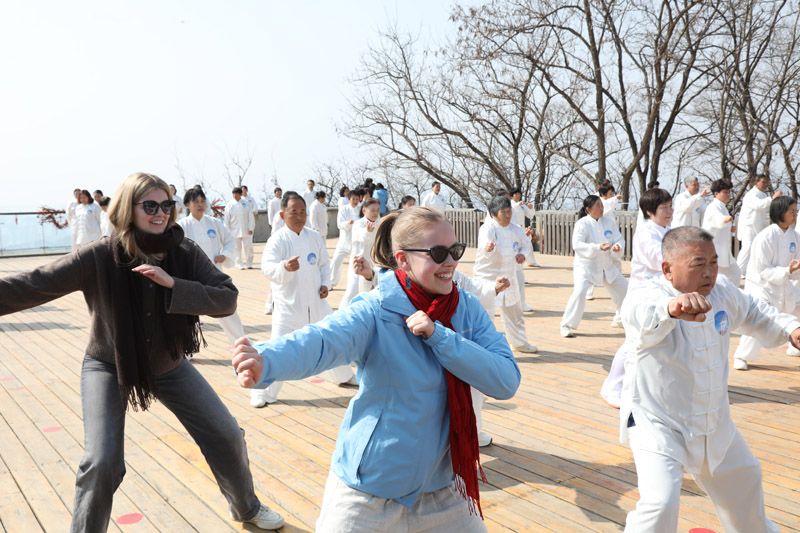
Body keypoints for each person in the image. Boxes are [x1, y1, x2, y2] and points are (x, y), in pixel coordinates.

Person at [0, 172, 284, 532]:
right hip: (107, 364)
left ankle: (247, 508)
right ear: (127, 208)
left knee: (226, 434)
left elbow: (227, 298)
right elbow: (34, 283)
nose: (160, 213)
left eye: (166, 205)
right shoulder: (99, 255)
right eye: (150, 206)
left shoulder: (183, 251)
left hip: (169, 363)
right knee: (102, 462)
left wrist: (173, 285)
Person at [232, 206, 520, 531]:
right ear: (403, 259)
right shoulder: (375, 309)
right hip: (370, 490)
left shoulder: (466, 309)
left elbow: (505, 380)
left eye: (455, 250)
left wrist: (440, 337)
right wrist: (267, 359)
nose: (451, 262)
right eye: (438, 253)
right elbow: (323, 341)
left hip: (444, 487)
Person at [619, 226, 797, 532]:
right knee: (660, 503)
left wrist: (790, 329)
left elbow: (754, 311)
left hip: (713, 420)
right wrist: (671, 309)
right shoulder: (647, 294)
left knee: (745, 480)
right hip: (658, 422)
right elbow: (640, 315)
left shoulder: (722, 292)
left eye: (713, 262)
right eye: (698, 264)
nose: (709, 272)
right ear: (667, 269)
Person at [251, 191, 355, 408]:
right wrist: (284, 267)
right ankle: (262, 391)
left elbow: (324, 264)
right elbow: (267, 268)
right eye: (294, 212)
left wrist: (325, 284)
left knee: (332, 339)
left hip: (316, 304)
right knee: (278, 351)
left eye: (302, 212)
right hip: (288, 308)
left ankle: (344, 375)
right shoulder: (277, 240)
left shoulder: (314, 237)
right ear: (282, 214)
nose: (299, 216)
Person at [600, 188, 673, 408]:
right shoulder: (646, 232)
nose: (669, 211)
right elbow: (659, 260)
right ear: (650, 211)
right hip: (643, 297)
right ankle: (613, 387)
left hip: (662, 295)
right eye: (664, 208)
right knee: (635, 342)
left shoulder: (669, 230)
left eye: (670, 206)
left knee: (657, 343)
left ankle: (651, 386)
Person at [733, 196, 800, 370]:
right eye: (792, 211)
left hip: (784, 286)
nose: (795, 214)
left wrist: (793, 270)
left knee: (795, 313)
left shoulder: (795, 236)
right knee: (759, 320)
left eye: (796, 210)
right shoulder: (765, 237)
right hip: (763, 287)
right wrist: (788, 270)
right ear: (780, 213)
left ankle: (795, 345)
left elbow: (795, 266)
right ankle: (741, 356)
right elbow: (763, 270)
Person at [178, 187, 246, 344]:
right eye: (196, 201)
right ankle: (185, 351)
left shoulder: (214, 223)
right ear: (187, 204)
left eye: (203, 201)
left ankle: (241, 345)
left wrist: (225, 254)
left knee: (227, 310)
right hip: (191, 278)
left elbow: (229, 240)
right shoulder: (181, 226)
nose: (200, 204)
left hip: (214, 276)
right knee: (186, 317)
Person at [473, 195, 538, 353]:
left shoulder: (516, 229)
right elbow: (484, 245)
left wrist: (522, 254)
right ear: (494, 213)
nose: (508, 215)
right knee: (486, 313)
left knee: (514, 312)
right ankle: (482, 346)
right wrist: (488, 248)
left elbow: (525, 245)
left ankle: (519, 343)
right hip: (488, 276)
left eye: (509, 211)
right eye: (504, 212)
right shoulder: (488, 228)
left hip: (509, 276)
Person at [560, 195, 627, 338]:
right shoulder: (582, 224)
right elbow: (577, 245)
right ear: (588, 209)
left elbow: (619, 238)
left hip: (607, 265)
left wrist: (618, 246)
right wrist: (597, 247)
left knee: (625, 290)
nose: (601, 208)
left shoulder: (609, 221)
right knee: (579, 292)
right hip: (586, 266)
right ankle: (566, 325)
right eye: (598, 206)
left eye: (602, 205)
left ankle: (620, 318)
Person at [340, 198, 381, 308]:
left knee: (371, 292)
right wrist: (368, 231)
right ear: (364, 210)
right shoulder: (358, 224)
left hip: (373, 263)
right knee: (352, 292)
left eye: (377, 210)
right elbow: (361, 237)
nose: (375, 213)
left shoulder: (379, 223)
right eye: (372, 210)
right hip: (359, 263)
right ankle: (342, 313)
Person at [737, 174, 782, 276]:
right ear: (756, 182)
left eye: (767, 182)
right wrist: (772, 198)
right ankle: (739, 271)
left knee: (757, 248)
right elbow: (758, 205)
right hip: (749, 226)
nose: (765, 184)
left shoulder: (763, 195)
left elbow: (767, 209)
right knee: (747, 247)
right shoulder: (750, 194)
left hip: (760, 226)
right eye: (763, 182)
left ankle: (751, 270)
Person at [701, 178, 740, 283]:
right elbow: (718, 219)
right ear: (716, 193)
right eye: (725, 192)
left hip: (723, 250)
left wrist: (730, 228)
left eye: (729, 192)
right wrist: (726, 219)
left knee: (735, 273)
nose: (728, 195)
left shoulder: (723, 207)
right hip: (715, 249)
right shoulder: (713, 207)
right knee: (719, 278)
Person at [330, 190, 361, 289]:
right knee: (335, 261)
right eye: (353, 199)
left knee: (355, 265)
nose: (355, 201)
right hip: (344, 241)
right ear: (349, 199)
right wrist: (348, 223)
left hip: (356, 242)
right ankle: (331, 282)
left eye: (357, 199)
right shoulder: (343, 209)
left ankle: (354, 286)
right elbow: (339, 224)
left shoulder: (361, 209)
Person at [225, 186, 256, 269]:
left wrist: (251, 228)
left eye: (236, 194)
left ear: (240, 194)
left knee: (248, 247)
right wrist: (227, 231)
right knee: (236, 248)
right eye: (233, 194)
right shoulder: (229, 204)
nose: (235, 195)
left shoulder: (246, 203)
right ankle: (238, 263)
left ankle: (249, 263)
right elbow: (226, 219)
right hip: (234, 230)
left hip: (246, 229)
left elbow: (251, 216)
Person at [510, 188, 540, 272]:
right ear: (512, 195)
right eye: (516, 194)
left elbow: (530, 215)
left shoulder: (522, 205)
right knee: (515, 246)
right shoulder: (510, 203)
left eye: (519, 194)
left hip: (522, 228)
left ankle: (531, 262)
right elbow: (511, 208)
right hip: (513, 228)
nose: (518, 196)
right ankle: (514, 264)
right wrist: (518, 204)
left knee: (528, 243)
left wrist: (531, 208)